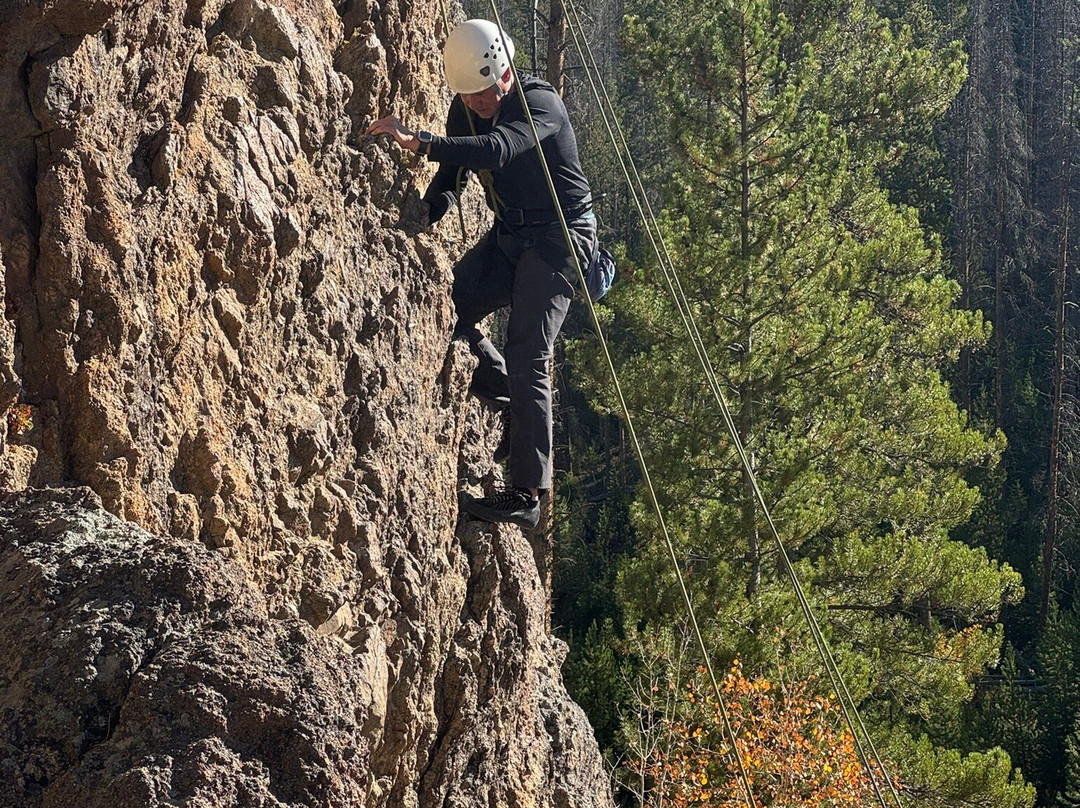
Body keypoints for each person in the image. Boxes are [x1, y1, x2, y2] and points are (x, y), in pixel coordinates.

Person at [366, 19, 597, 530]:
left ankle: (526, 493)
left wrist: (421, 141)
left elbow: (497, 150)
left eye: (484, 94)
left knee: (528, 347)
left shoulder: (541, 106)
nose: (476, 104)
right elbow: (452, 178)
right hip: (511, 235)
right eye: (468, 96)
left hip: (561, 239)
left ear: (506, 73)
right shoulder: (467, 106)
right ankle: (512, 396)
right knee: (454, 305)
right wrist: (426, 211)